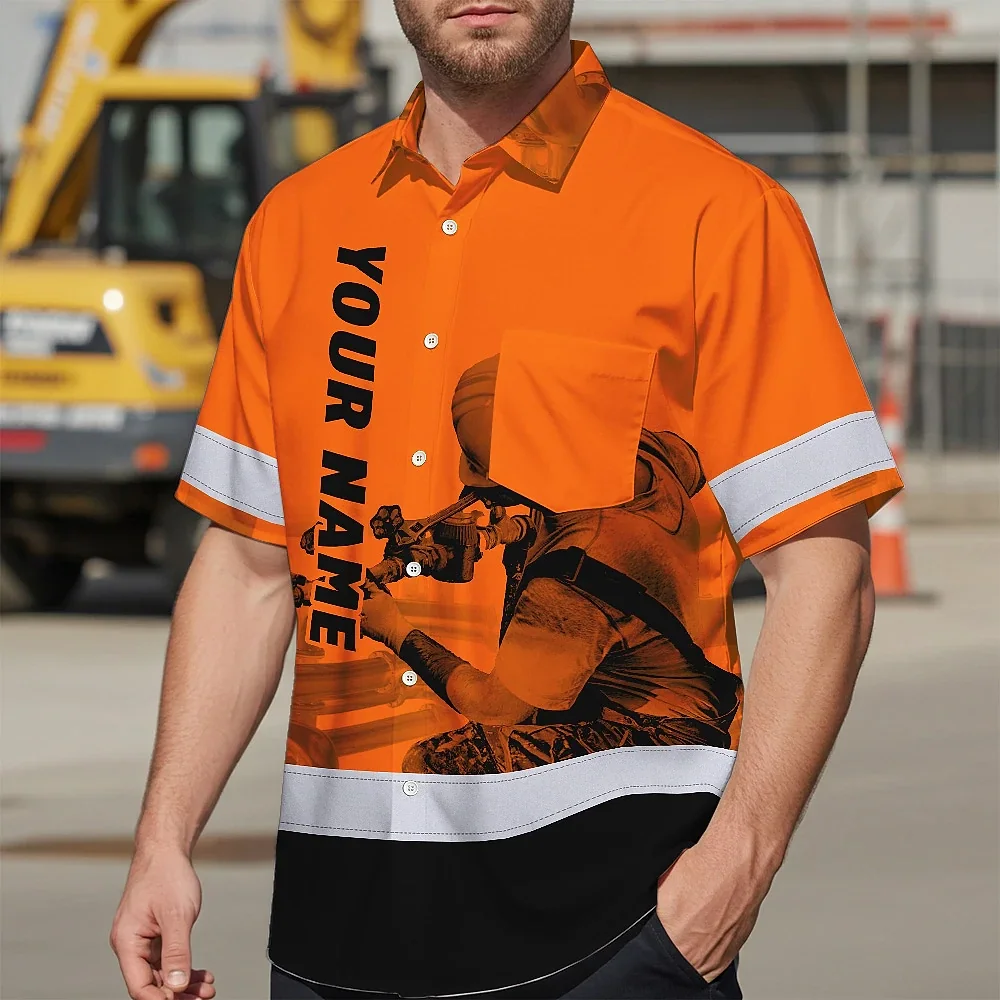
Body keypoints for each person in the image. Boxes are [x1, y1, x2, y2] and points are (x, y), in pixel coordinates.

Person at [110, 2, 903, 999]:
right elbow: (245, 568)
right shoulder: (299, 226)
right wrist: (163, 838)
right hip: (335, 934)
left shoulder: (714, 210)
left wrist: (735, 866)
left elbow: (825, 569)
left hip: (610, 935)